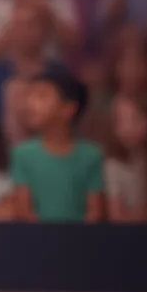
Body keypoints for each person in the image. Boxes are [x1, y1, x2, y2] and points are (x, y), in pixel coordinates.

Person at [11, 70, 104, 223]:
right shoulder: (22, 154)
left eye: (41, 96)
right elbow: (24, 211)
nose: (30, 104)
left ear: (68, 108)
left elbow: (94, 213)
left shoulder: (91, 156)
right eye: (30, 96)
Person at [0, 0, 70, 147]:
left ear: (45, 30)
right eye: (17, 25)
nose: (23, 31)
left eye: (31, 24)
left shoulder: (61, 76)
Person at [104, 95, 147, 223]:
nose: (127, 128)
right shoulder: (113, 166)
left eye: (135, 119)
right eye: (120, 122)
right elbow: (116, 216)